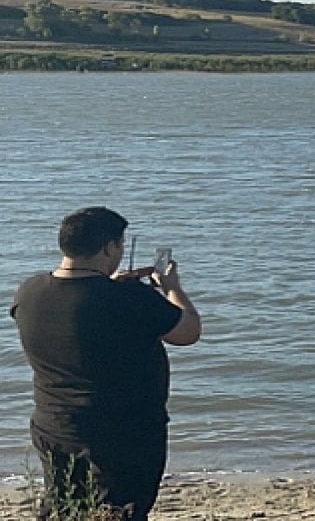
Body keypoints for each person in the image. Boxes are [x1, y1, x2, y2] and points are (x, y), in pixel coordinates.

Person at [11, 207, 201, 521]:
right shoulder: (130, 299)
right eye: (120, 245)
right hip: (121, 434)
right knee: (121, 511)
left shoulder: (29, 291)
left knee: (63, 506)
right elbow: (188, 331)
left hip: (54, 425)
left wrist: (110, 284)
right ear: (109, 248)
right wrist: (172, 288)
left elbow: (81, 318)